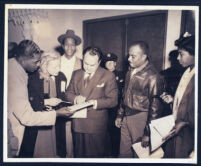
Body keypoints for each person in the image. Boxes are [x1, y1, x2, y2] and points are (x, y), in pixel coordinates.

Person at [7, 40, 73, 157]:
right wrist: (53, 110)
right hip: (31, 123)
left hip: (46, 120)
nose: (38, 65)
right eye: (36, 62)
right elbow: (27, 115)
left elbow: (64, 94)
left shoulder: (16, 66)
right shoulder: (24, 77)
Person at [66, 47, 118, 157]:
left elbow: (113, 100)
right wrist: (75, 98)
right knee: (79, 156)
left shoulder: (108, 75)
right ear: (82, 60)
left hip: (96, 126)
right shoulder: (76, 74)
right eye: (86, 63)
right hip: (78, 123)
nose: (88, 67)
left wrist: (95, 103)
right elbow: (68, 93)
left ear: (99, 62)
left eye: (92, 65)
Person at [115, 41, 164, 158]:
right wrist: (120, 115)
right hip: (126, 117)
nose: (129, 59)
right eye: (129, 56)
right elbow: (124, 94)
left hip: (141, 118)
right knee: (123, 154)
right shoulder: (130, 71)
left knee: (140, 155)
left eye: (133, 56)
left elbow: (155, 107)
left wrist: (148, 133)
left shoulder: (153, 76)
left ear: (144, 56)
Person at [160, 32, 195, 158]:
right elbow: (187, 102)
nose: (178, 58)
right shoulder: (187, 72)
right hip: (178, 128)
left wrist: (185, 123)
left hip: (189, 133)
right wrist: (172, 101)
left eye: (181, 54)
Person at [57, 29, 82, 157]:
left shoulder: (82, 63)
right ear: (62, 46)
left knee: (75, 132)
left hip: (75, 99)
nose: (70, 47)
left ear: (76, 46)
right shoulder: (56, 62)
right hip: (59, 101)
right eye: (67, 44)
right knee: (62, 133)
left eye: (72, 44)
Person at [103, 52, 124, 157]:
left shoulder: (121, 75)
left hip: (116, 110)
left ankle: (115, 157)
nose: (110, 64)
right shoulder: (101, 75)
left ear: (115, 63)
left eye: (112, 62)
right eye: (107, 62)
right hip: (103, 110)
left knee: (115, 135)